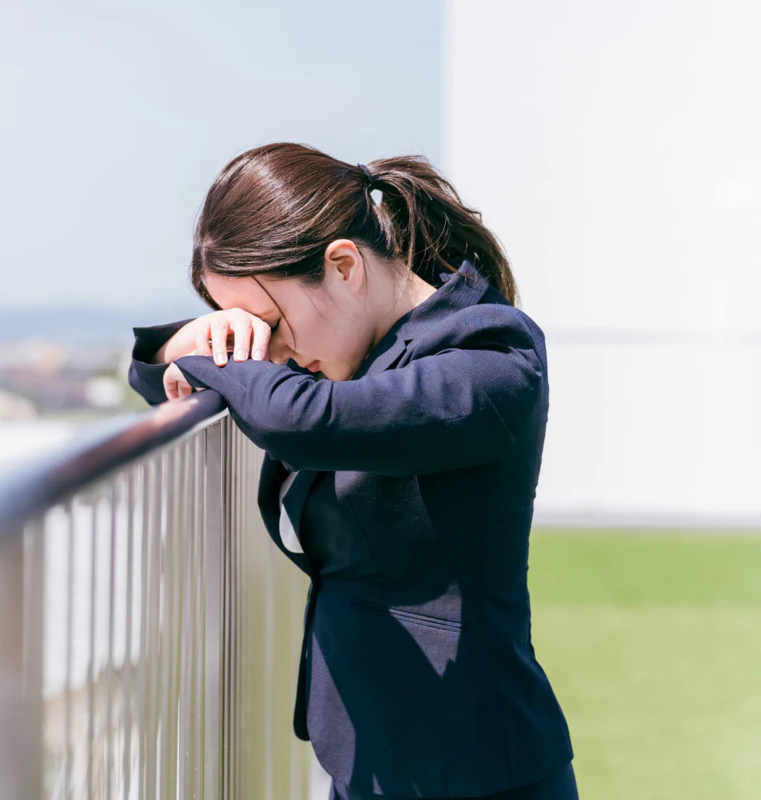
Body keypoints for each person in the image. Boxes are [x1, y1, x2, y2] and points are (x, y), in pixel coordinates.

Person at [126, 143, 579, 800]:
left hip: (476, 769)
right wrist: (188, 342)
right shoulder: (353, 350)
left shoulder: (492, 353)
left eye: (267, 325)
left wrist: (212, 361)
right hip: (370, 759)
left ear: (343, 265)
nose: (269, 353)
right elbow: (148, 373)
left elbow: (307, 423)